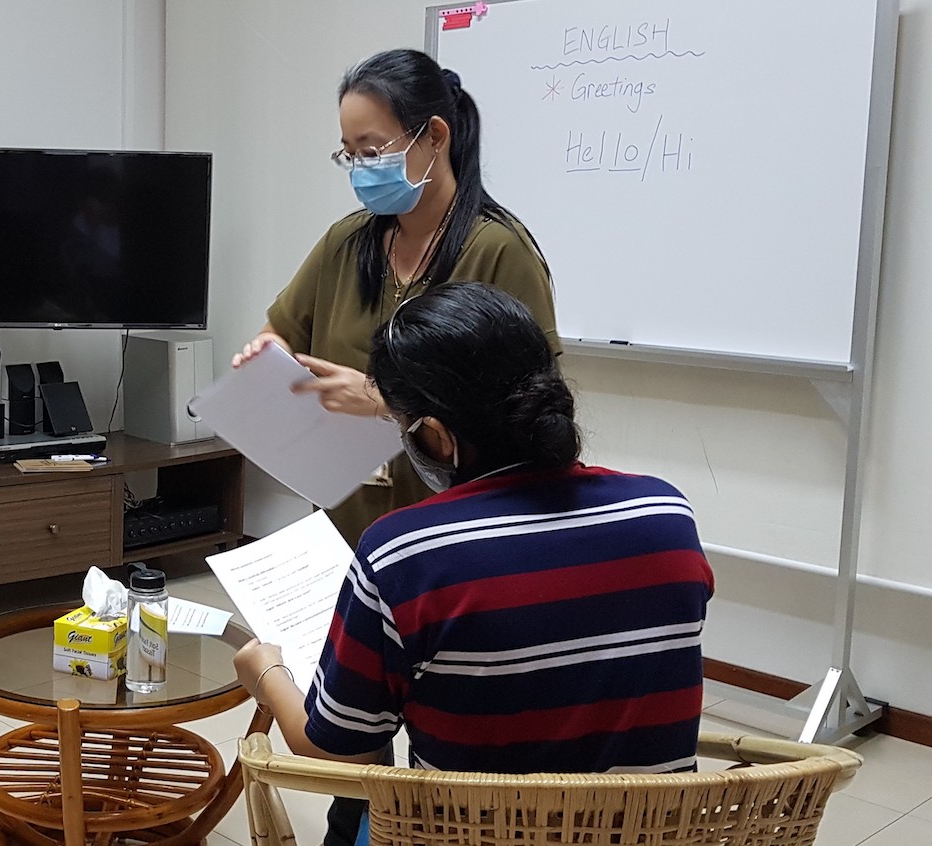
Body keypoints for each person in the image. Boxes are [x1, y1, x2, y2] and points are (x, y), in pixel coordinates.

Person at [235, 283, 714, 807]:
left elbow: (338, 755)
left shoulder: (404, 554)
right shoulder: (665, 514)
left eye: (399, 424)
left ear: (436, 436)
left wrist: (266, 670)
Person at [232, 48, 558, 550]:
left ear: (435, 136)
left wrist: (386, 403)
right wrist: (265, 357)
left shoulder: (498, 252)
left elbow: (530, 415)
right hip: (345, 528)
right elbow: (279, 332)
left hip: (455, 535)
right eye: (351, 153)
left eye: (374, 149)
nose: (362, 168)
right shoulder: (346, 242)